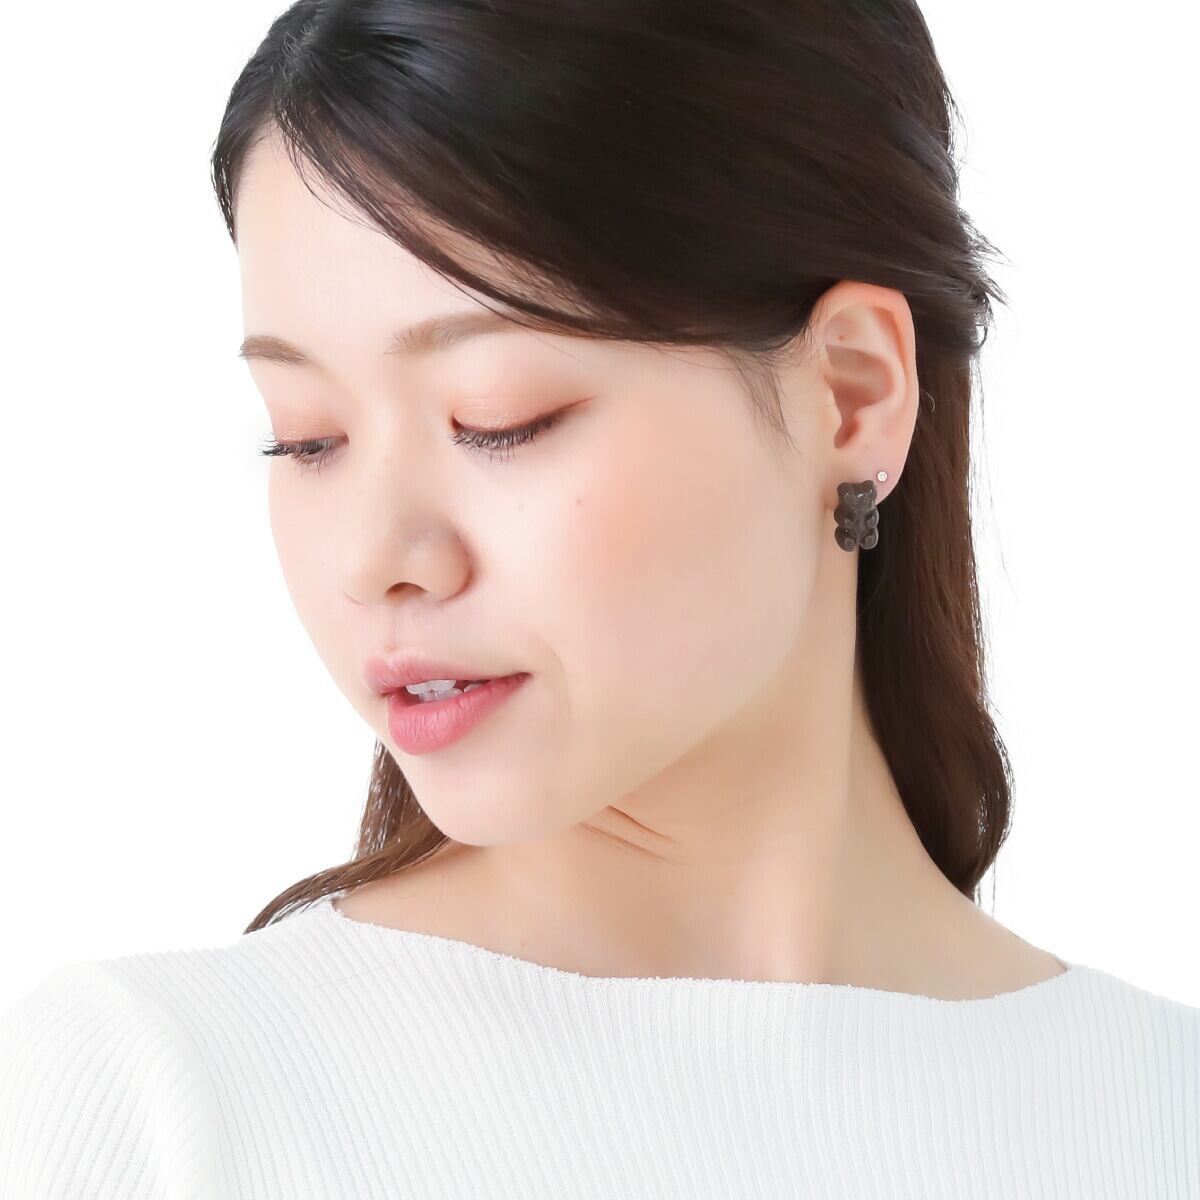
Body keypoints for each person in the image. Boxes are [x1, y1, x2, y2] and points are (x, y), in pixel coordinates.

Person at [3, 0, 1196, 1196]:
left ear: (851, 392)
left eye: (498, 419)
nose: (372, 559)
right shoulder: (151, 1099)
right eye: (306, 438)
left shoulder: (1160, 1113)